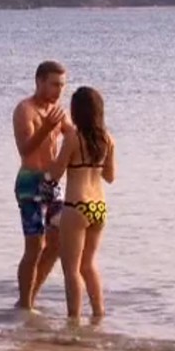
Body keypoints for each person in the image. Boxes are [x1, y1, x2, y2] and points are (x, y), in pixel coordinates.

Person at [47, 86, 116, 320]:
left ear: (76, 112)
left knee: (71, 269)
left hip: (76, 206)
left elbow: (56, 174)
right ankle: (98, 314)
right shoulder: (107, 139)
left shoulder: (73, 138)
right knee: (88, 265)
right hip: (99, 207)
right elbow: (110, 177)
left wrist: (48, 158)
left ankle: (74, 320)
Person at [12, 60, 74, 311]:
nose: (59, 90)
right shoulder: (25, 110)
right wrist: (46, 127)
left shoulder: (58, 111)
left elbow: (73, 135)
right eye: (54, 84)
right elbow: (25, 149)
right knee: (35, 246)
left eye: (62, 85)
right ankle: (25, 305)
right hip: (30, 182)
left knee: (57, 243)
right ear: (39, 82)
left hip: (52, 184)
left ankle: (28, 299)